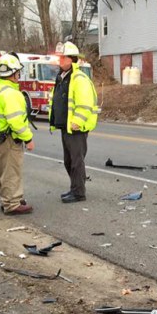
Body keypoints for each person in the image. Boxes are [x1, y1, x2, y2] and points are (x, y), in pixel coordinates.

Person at [0, 53, 35, 215]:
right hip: (8, 138)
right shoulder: (11, 93)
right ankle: (12, 204)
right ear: (12, 74)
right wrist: (28, 138)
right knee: (11, 170)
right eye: (17, 72)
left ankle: (7, 198)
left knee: (1, 170)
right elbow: (16, 121)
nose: (18, 75)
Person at [49, 41, 99, 203]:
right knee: (68, 160)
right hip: (65, 126)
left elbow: (85, 103)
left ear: (71, 59)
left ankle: (79, 193)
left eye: (62, 58)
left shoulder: (79, 78)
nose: (59, 61)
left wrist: (77, 121)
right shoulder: (62, 77)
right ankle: (74, 188)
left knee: (76, 161)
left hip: (76, 127)